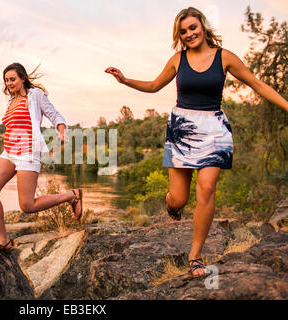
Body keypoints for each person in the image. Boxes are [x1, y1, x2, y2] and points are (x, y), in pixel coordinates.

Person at [105, 7, 288, 277]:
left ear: (202, 26)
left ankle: (195, 256)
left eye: (193, 27)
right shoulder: (177, 60)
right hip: (182, 129)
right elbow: (155, 86)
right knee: (179, 198)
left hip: (214, 129)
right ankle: (172, 206)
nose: (189, 33)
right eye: (183, 31)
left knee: (207, 188)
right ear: (179, 35)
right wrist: (125, 80)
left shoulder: (224, 57)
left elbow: (258, 85)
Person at [0, 63, 83, 254]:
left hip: (28, 152)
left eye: (12, 79)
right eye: (6, 80)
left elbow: (55, 115)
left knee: (27, 205)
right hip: (9, 151)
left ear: (22, 78)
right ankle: (3, 241)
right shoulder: (10, 102)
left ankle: (73, 195)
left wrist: (62, 132)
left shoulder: (35, 95)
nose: (9, 83)